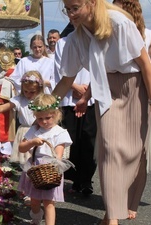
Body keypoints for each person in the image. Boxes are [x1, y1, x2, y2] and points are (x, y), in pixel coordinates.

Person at [52, 0, 151, 225]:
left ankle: (112, 209)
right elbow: (67, 78)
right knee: (110, 149)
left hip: (136, 87)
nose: (70, 14)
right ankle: (113, 221)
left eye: (75, 7)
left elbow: (146, 64)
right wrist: (48, 102)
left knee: (134, 152)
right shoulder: (75, 38)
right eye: (67, 9)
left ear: (91, 3)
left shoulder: (120, 23)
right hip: (106, 90)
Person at [113, 0, 151, 219]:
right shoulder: (110, 32)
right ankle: (116, 206)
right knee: (116, 152)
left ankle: (131, 202)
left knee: (139, 153)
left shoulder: (149, 35)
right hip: (115, 94)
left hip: (142, 94)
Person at [18, 94, 72, 225]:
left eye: (48, 118)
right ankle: (36, 217)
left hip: (50, 170)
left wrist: (54, 166)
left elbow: (58, 154)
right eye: (40, 119)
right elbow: (22, 148)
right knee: (34, 200)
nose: (44, 122)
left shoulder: (59, 132)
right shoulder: (34, 130)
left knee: (49, 202)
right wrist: (32, 142)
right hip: (35, 168)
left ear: (56, 114)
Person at [54, 36, 97, 197]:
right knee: (71, 139)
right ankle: (73, 178)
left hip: (91, 97)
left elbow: (98, 67)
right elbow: (60, 68)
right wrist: (75, 86)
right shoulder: (63, 43)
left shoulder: (94, 39)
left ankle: (86, 180)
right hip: (68, 98)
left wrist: (87, 92)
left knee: (88, 139)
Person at [0, 70, 45, 165]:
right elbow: (4, 107)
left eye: (32, 92)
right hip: (24, 131)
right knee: (25, 158)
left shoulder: (42, 100)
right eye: (25, 91)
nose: (28, 94)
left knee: (37, 154)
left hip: (38, 129)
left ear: (39, 90)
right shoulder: (20, 99)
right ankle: (26, 174)